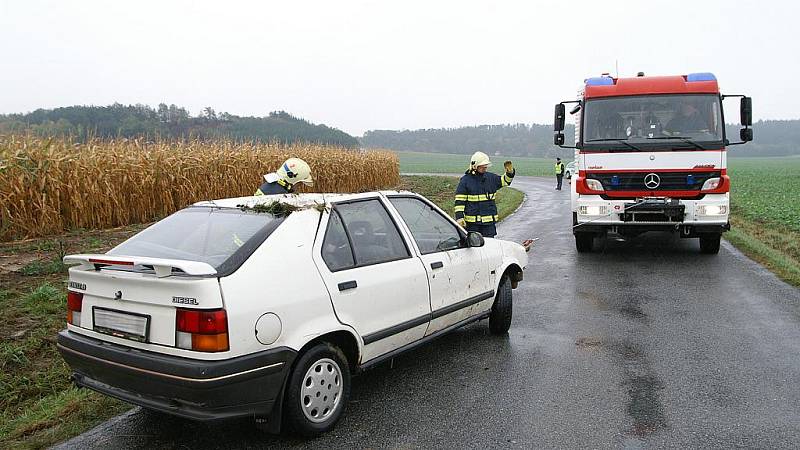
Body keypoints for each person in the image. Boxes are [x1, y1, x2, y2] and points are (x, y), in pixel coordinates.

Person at [453, 151, 515, 238]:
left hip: (489, 226)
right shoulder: (465, 181)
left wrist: (510, 173)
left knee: (489, 247)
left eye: (486, 166)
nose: (485, 168)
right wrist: (460, 218)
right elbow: (459, 202)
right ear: (474, 165)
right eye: (482, 167)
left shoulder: (491, 178)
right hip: (472, 225)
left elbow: (505, 181)